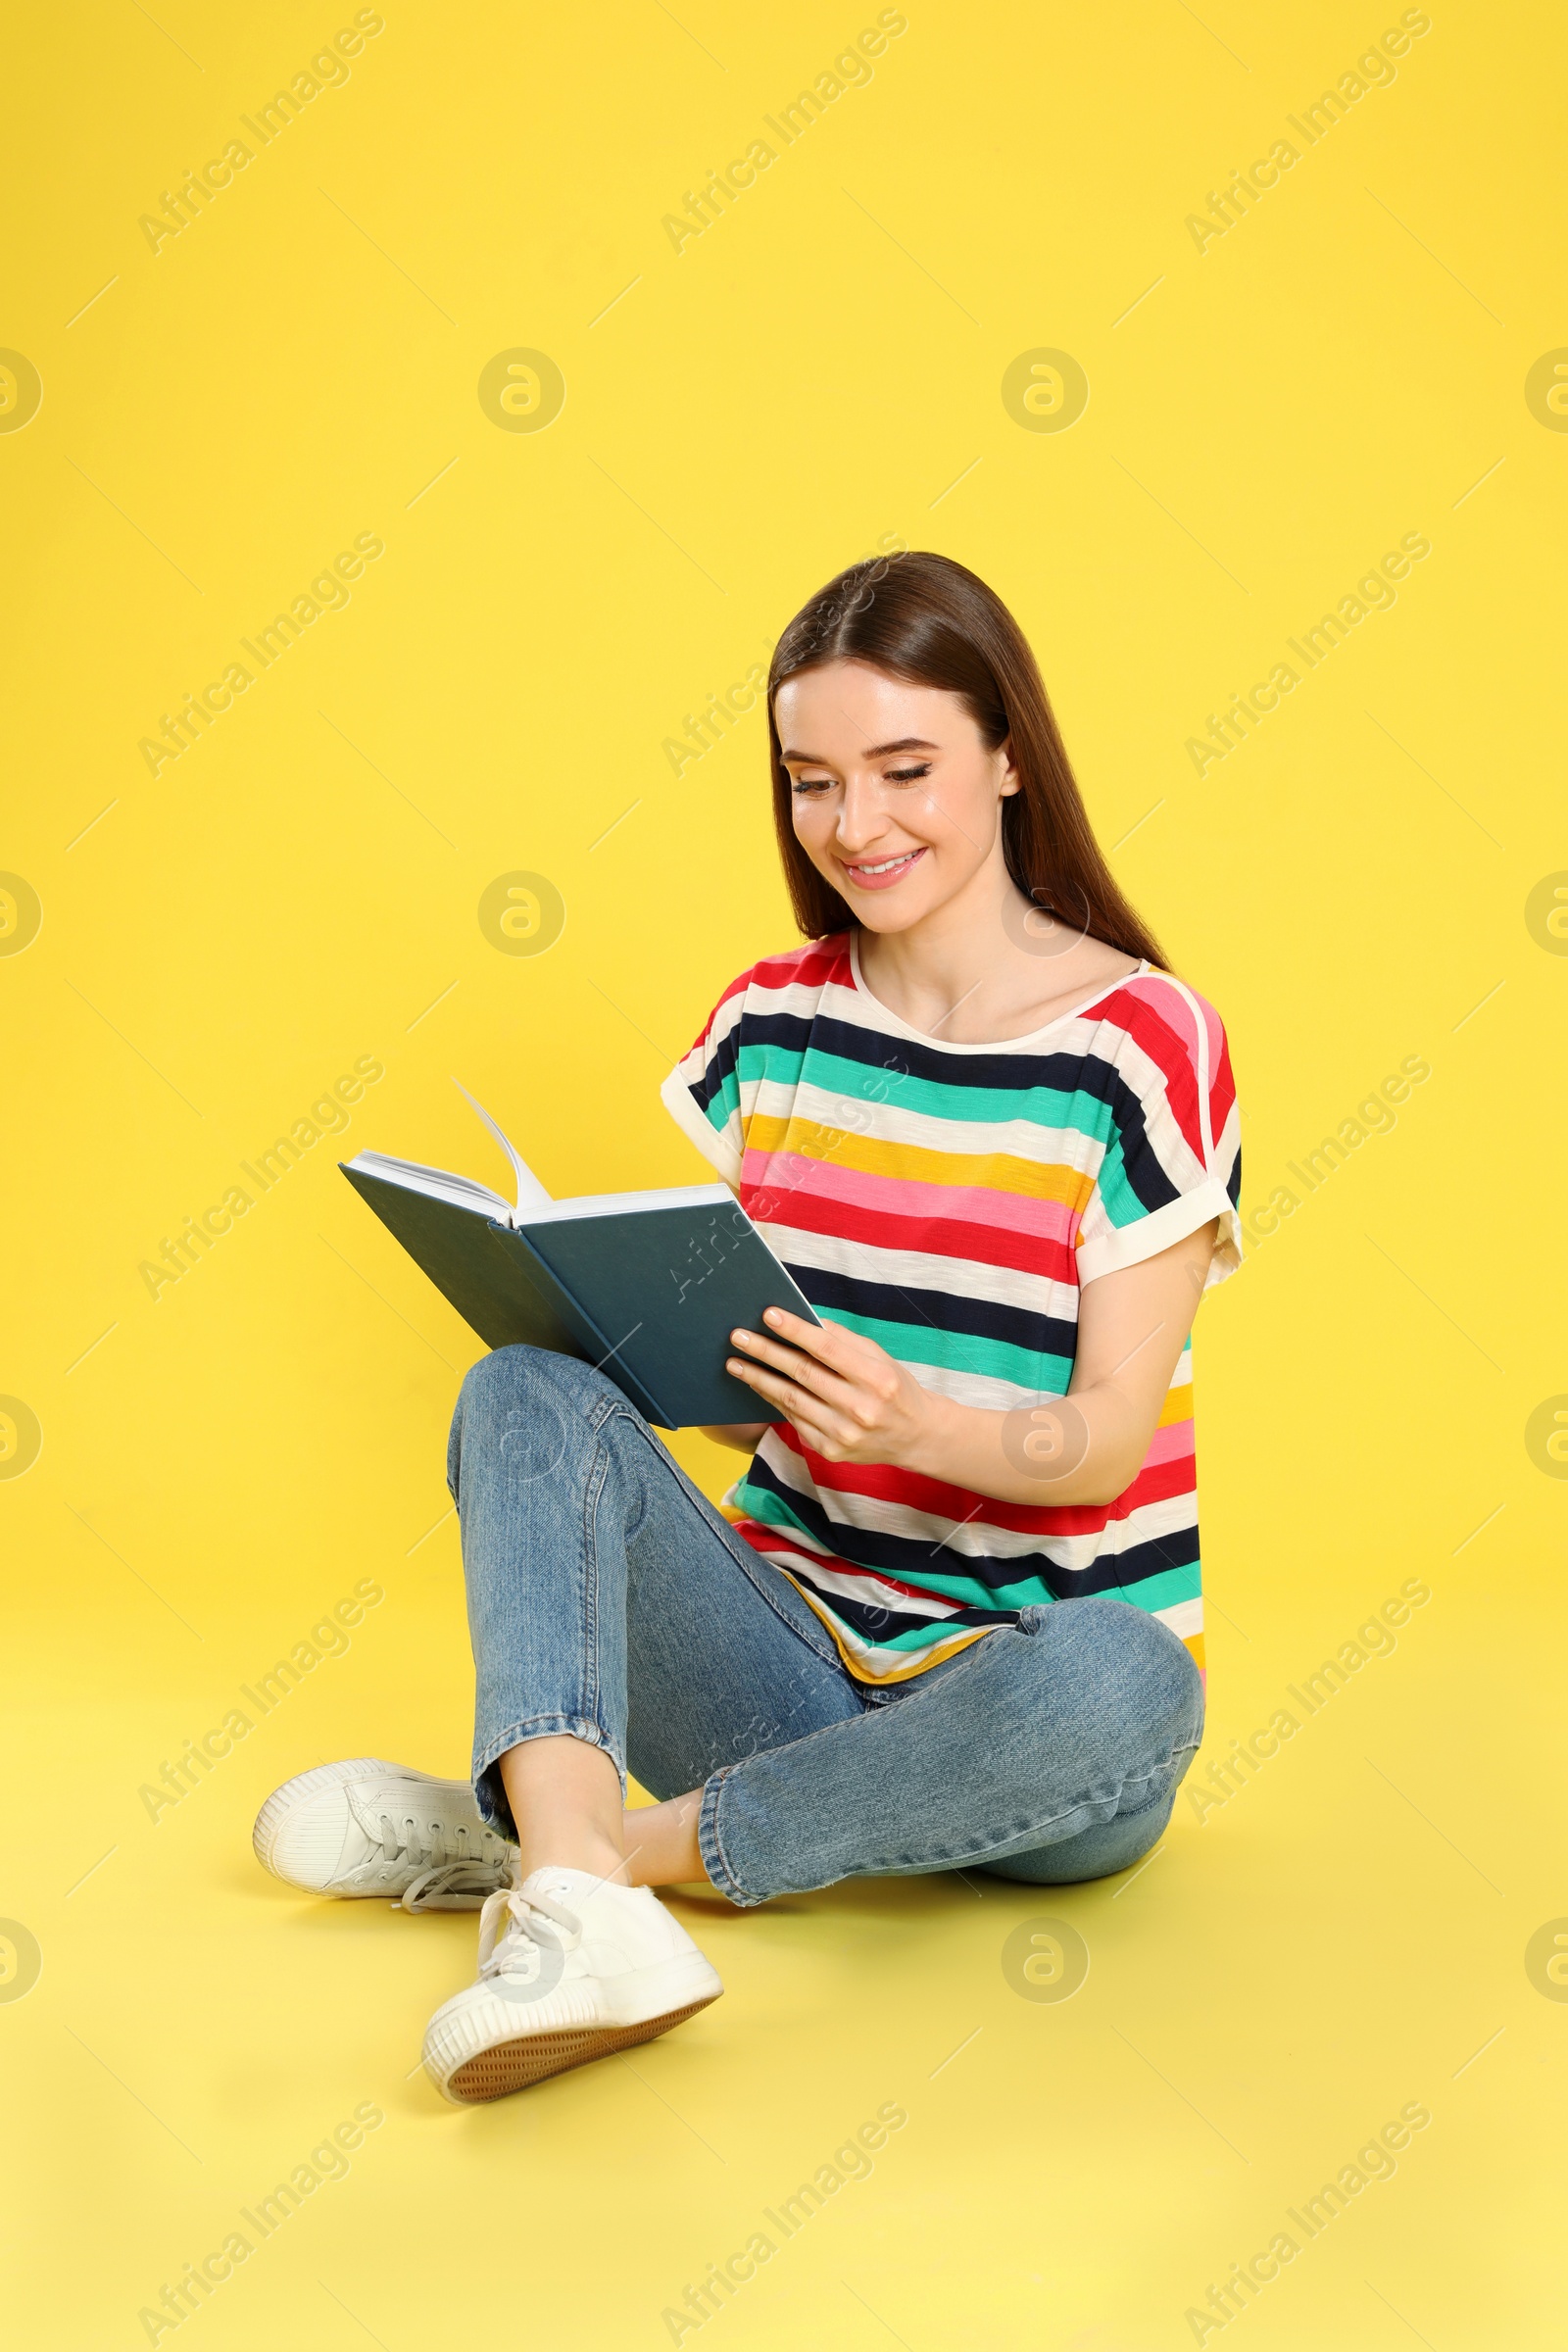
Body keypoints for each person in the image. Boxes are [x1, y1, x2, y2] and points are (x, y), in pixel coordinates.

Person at [252, 551, 1242, 2106]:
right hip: (782, 1671)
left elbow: (1104, 1441)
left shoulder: (1140, 1047)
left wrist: (924, 1429)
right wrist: (641, 1347)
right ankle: (584, 1899)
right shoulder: (765, 1030)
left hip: (1026, 1708)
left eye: (905, 770)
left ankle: (559, 1849)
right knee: (517, 1386)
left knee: (1135, 1688)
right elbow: (738, 1417)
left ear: (1006, 757)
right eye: (813, 782)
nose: (858, 828)